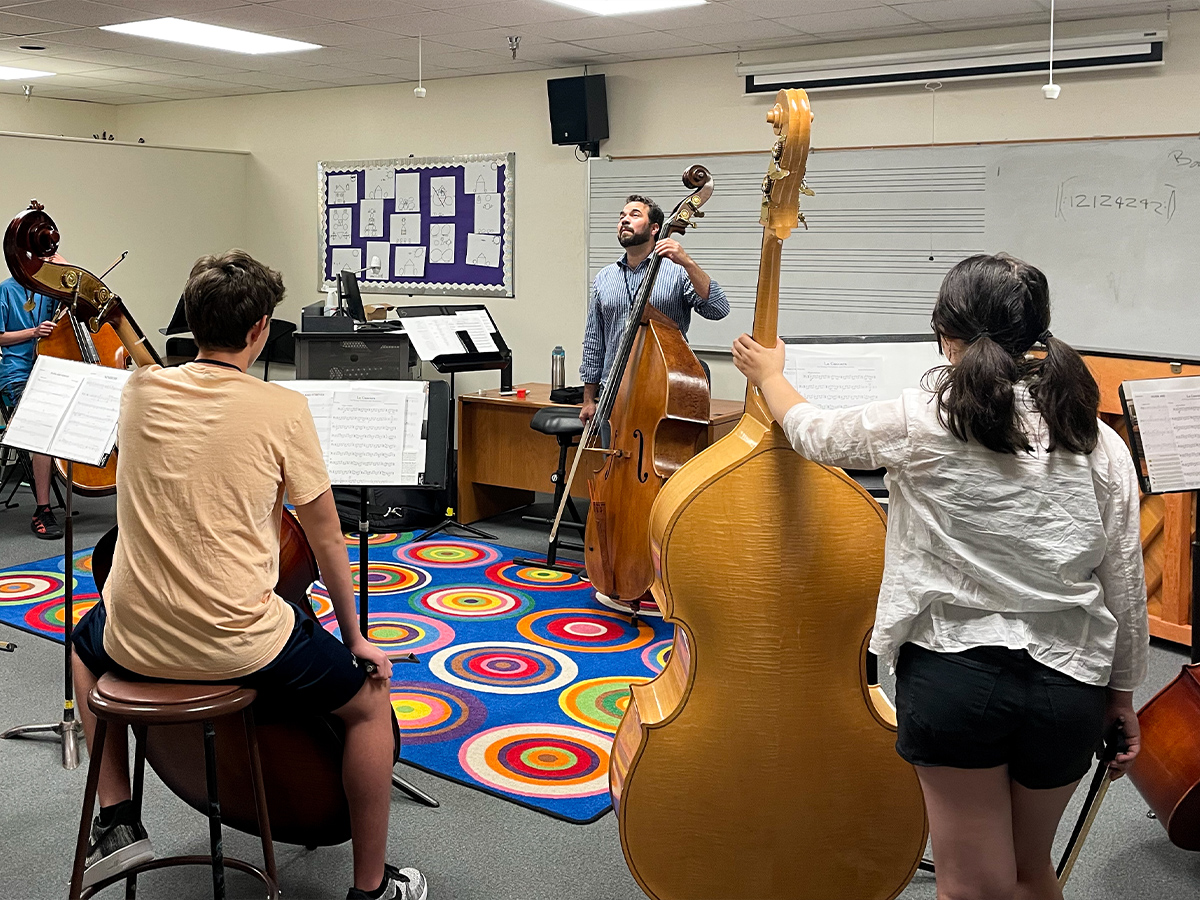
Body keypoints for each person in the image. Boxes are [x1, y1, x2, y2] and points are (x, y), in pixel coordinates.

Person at [731, 253, 1147, 900]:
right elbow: (1123, 581)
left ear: (945, 334)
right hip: (1070, 683)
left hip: (958, 677)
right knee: (1032, 874)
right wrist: (1122, 695)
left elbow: (812, 433)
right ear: (1038, 330)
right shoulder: (1094, 436)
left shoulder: (921, 418)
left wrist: (770, 375)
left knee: (969, 886)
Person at [70, 251, 427, 900]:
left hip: (134, 636)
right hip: (240, 642)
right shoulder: (281, 410)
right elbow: (325, 544)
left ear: (193, 319)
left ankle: (118, 820)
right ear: (261, 328)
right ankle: (372, 887)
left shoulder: (139, 390)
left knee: (81, 646)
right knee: (371, 704)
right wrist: (357, 640)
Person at [579, 194, 729, 424]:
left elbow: (718, 308)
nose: (624, 220)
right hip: (613, 393)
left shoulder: (677, 271)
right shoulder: (604, 278)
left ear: (654, 228)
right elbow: (594, 341)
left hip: (664, 392)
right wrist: (588, 399)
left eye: (634, 215)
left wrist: (687, 262)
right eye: (622, 216)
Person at [0, 273, 63, 539]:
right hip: (17, 373)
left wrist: (60, 265)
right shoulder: (5, 290)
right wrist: (34, 333)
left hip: (50, 368)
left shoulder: (47, 289)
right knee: (42, 426)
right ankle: (42, 509)